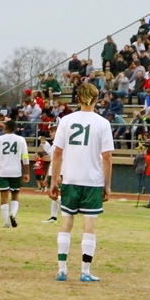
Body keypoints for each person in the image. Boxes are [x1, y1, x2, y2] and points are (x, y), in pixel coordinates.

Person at [49, 82, 114, 282]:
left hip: (70, 178)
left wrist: (54, 180)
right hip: (92, 181)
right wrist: (107, 184)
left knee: (66, 222)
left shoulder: (66, 121)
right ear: (96, 100)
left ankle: (62, 270)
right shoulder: (103, 123)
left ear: (78, 99)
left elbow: (57, 152)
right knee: (89, 226)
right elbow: (107, 157)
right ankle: (85, 271)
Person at [0, 119, 30, 228]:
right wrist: (26, 172)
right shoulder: (21, 140)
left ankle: (6, 221)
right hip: (16, 171)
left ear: (6, 128)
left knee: (4, 195)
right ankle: (13, 214)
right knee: (15, 194)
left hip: (2, 171)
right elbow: (25, 157)